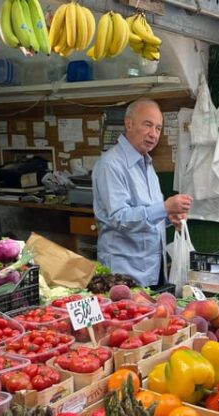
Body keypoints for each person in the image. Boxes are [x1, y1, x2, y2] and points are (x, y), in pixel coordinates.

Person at [92, 98, 192, 286]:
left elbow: (148, 214)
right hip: (124, 275)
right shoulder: (111, 165)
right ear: (129, 124)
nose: (153, 134)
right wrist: (165, 208)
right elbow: (119, 218)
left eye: (158, 128)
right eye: (148, 125)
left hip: (152, 270)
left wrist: (169, 217)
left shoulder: (147, 164)